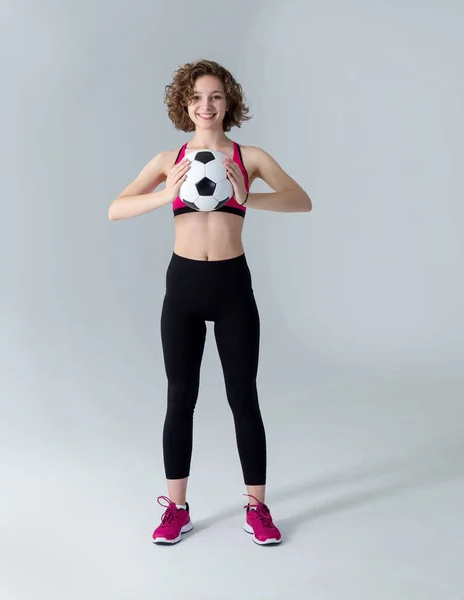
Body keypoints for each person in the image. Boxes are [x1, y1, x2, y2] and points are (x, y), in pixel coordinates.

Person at [108, 59, 312, 546]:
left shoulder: (250, 156)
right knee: (180, 398)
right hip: (183, 286)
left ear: (229, 101)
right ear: (185, 103)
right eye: (197, 97)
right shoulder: (167, 160)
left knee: (244, 397)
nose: (206, 105)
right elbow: (116, 208)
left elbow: (300, 199)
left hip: (231, 285)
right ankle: (176, 508)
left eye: (216, 96)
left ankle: (257, 508)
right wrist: (166, 195)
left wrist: (247, 197)